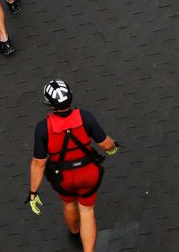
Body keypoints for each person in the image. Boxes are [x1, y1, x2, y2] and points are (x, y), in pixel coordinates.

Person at [26, 80, 119, 252]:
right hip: (88, 173)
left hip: (62, 177)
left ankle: (74, 231)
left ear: (49, 103)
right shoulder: (85, 117)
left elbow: (38, 163)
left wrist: (33, 192)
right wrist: (113, 148)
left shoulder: (42, 128)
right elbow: (105, 144)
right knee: (87, 210)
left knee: (69, 204)